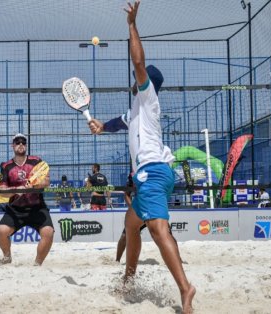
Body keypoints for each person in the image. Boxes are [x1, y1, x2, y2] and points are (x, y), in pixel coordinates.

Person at [87, 2, 195, 312]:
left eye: (141, 77)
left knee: (159, 230)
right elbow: (116, 123)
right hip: (155, 173)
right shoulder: (136, 110)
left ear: (147, 83)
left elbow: (138, 62)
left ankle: (186, 289)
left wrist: (132, 26)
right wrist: (100, 126)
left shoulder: (148, 99)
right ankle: (129, 279)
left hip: (152, 172)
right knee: (132, 223)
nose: (135, 78)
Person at [0, 133, 54, 266]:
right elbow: (2, 191)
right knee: (1, 231)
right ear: (12, 145)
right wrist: (19, 189)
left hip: (37, 207)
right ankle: (7, 256)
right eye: (17, 142)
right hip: (15, 209)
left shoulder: (36, 161)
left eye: (23, 142)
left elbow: (46, 181)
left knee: (48, 232)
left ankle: (37, 264)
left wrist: (34, 184)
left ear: (26, 145)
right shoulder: (6, 166)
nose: (20, 144)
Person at [115, 172, 146, 262]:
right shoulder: (133, 175)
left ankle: (178, 259)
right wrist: (132, 208)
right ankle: (117, 260)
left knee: (165, 233)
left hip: (153, 209)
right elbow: (127, 194)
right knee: (125, 236)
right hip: (139, 210)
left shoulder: (153, 170)